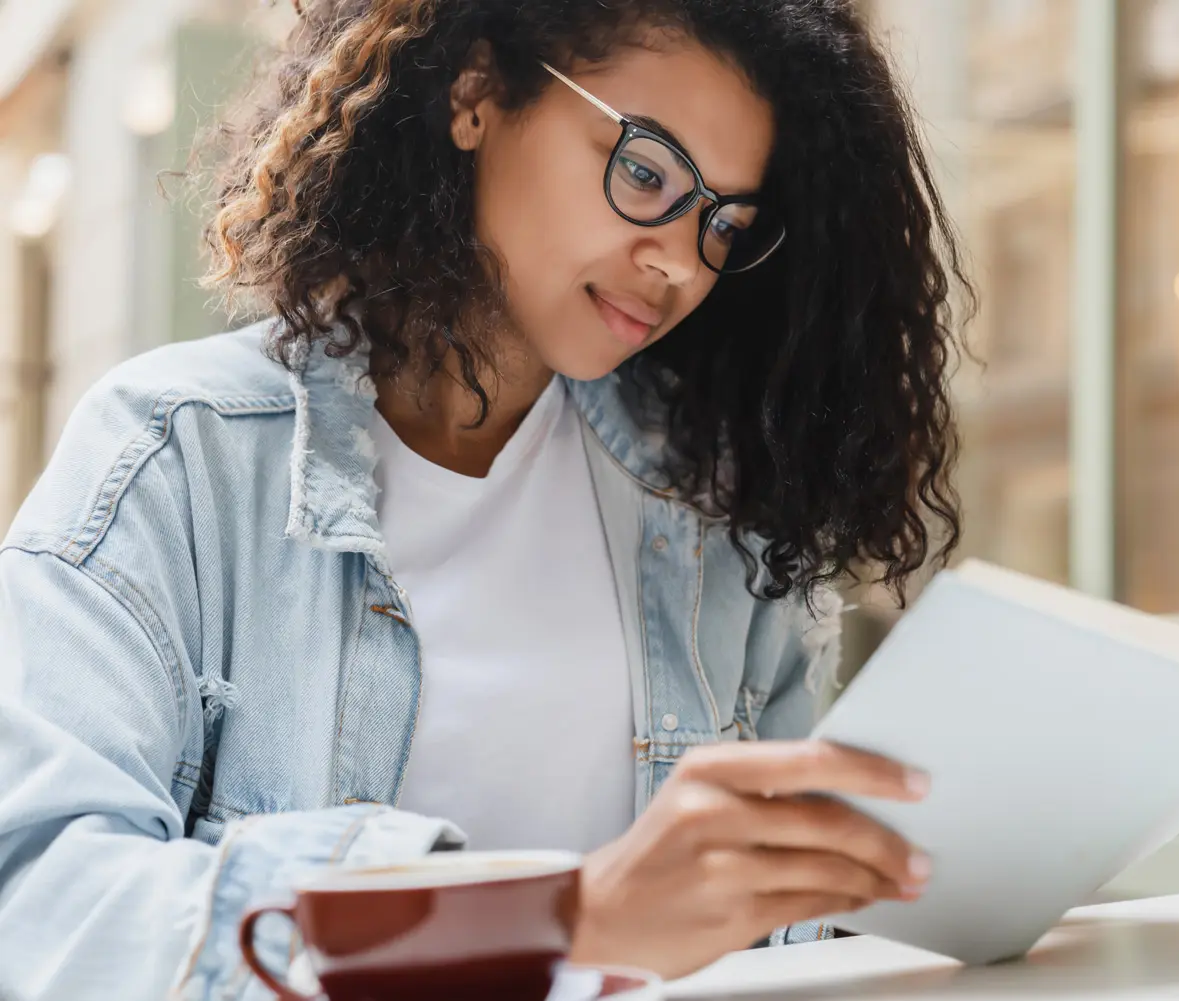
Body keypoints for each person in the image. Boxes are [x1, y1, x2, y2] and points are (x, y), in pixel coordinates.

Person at [0, 0, 970, 997]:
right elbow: (38, 903)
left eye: (722, 222)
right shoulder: (177, 456)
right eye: (645, 173)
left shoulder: (717, 512)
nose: (680, 259)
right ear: (475, 94)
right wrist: (560, 919)